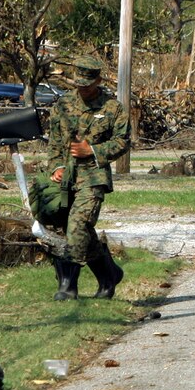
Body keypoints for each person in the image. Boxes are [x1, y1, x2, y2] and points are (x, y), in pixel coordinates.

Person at [46, 54, 130, 302]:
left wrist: (92, 150)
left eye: (87, 84)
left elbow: (123, 142)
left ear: (98, 81)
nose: (82, 88)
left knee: (78, 224)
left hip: (94, 177)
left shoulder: (112, 108)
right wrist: (56, 167)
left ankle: (68, 284)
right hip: (67, 176)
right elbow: (55, 141)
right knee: (79, 229)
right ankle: (109, 274)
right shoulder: (63, 105)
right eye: (79, 84)